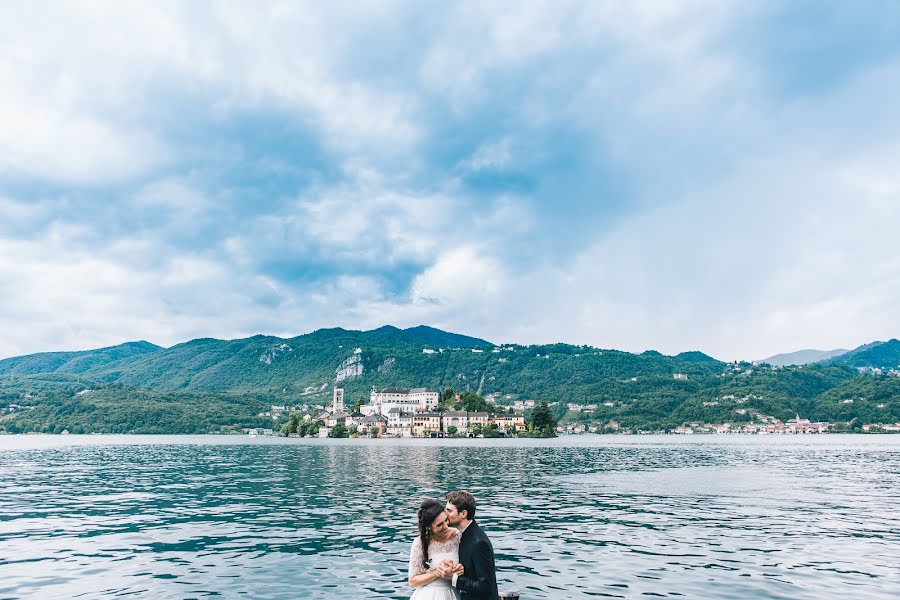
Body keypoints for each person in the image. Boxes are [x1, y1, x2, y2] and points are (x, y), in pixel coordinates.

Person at [444, 490, 499, 600]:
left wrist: (454, 578)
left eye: (449, 511)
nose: (445, 514)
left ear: (463, 514)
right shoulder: (463, 534)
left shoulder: (479, 543)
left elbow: (486, 585)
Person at [408, 498, 463, 599]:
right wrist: (437, 573)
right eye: (439, 525)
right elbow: (412, 582)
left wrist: (460, 570)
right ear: (429, 526)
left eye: (446, 520)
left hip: (453, 594)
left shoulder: (457, 536)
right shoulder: (419, 543)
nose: (445, 526)